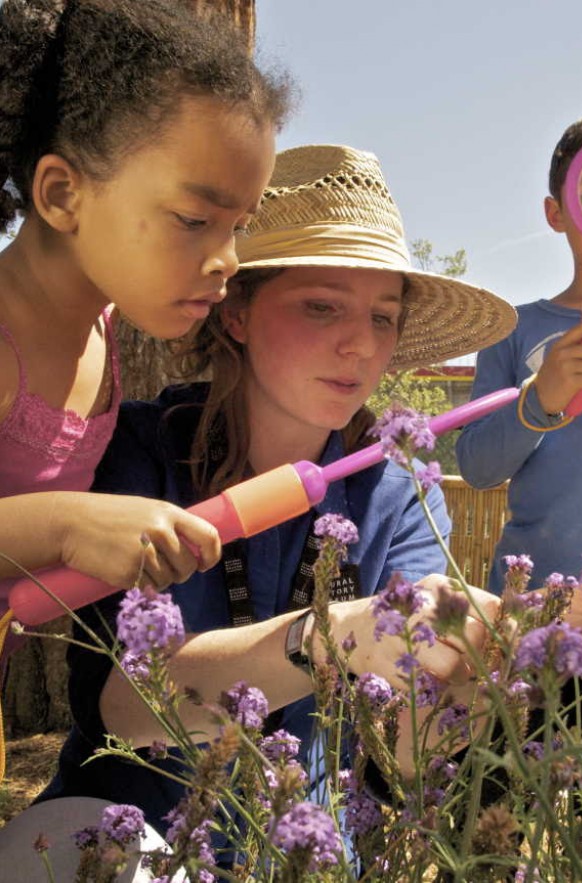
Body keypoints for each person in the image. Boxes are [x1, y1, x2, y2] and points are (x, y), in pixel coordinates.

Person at [39, 144, 517, 843]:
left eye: (383, 317)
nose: (361, 344)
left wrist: (466, 685)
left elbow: (399, 765)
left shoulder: (398, 488)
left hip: (301, 854)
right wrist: (328, 639)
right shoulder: (144, 450)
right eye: (322, 307)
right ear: (235, 313)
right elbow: (118, 702)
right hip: (110, 845)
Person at [0, 0, 291, 661]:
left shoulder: (101, 328)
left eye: (237, 226)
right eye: (194, 219)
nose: (228, 259)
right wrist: (70, 525)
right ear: (63, 195)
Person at [456, 107, 582, 594]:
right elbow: (476, 468)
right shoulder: (512, 330)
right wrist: (539, 401)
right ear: (557, 213)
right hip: (531, 613)